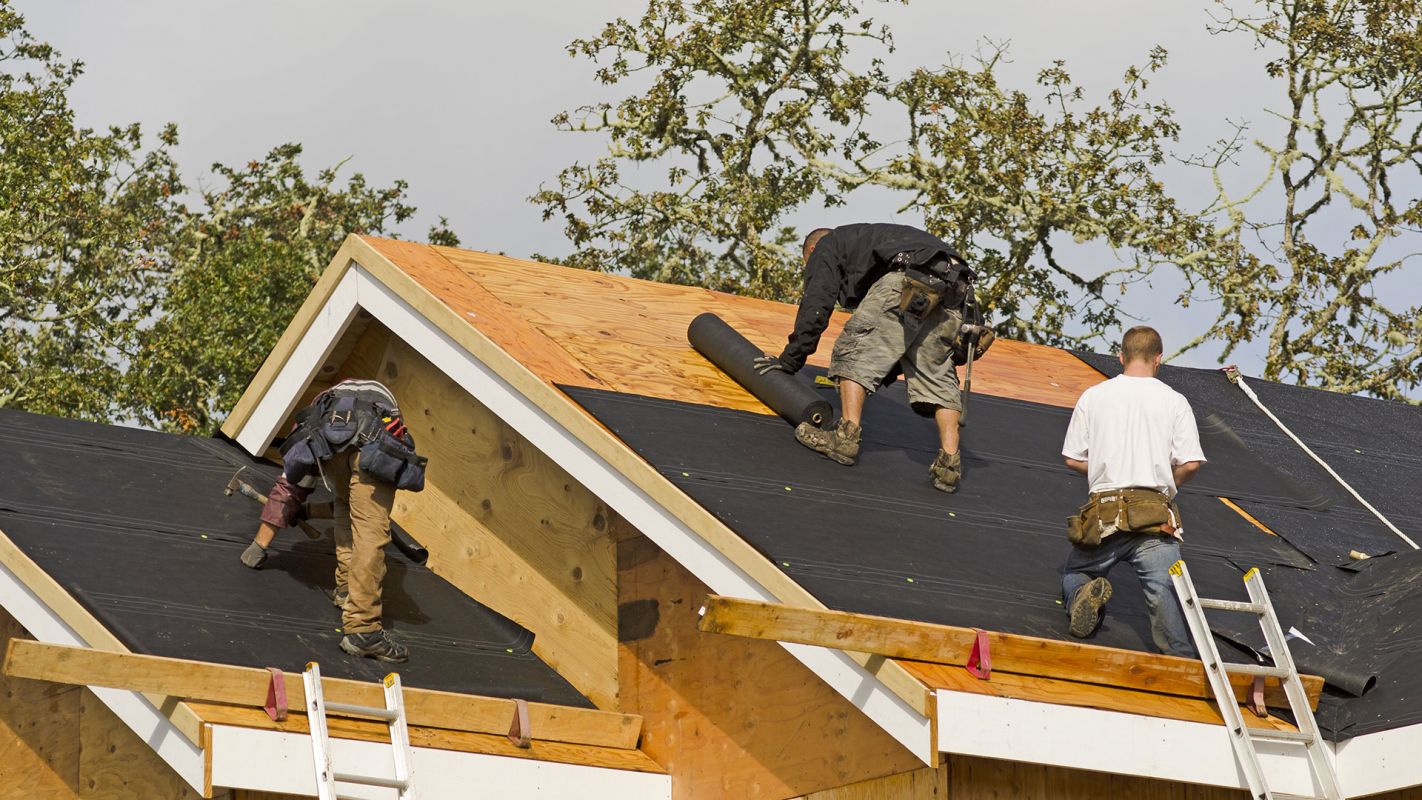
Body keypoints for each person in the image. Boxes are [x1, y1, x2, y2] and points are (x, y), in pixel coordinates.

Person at [754, 223, 992, 493]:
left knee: (854, 350)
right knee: (937, 375)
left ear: (811, 249)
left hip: (911, 279)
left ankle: (845, 438)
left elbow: (817, 303)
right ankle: (949, 466)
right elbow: (895, 343)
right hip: (957, 293)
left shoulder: (827, 245)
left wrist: (790, 360)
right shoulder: (879, 240)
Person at [240, 379, 427, 663]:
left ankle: (344, 590)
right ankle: (363, 628)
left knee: (344, 505)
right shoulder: (379, 407)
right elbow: (362, 511)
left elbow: (289, 488)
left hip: (338, 446)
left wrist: (259, 546)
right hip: (374, 442)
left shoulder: (320, 418)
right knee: (370, 531)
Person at [1060, 326, 1205, 657]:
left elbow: (1072, 458)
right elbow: (1191, 464)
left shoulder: (1094, 396)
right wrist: (1168, 485)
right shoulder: (1174, 401)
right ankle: (1179, 659)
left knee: (1076, 572)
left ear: (1120, 356)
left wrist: (1101, 469)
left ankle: (1083, 593)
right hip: (1153, 511)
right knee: (1164, 590)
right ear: (1159, 359)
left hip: (1104, 510)